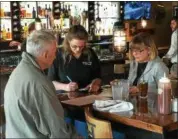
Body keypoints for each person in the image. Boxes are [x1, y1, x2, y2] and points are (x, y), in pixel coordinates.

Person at [4, 30, 79, 138]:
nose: (55, 57)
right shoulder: (39, 83)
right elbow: (58, 132)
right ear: (45, 55)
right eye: (54, 52)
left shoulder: (19, 71)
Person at [48, 25, 101, 92]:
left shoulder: (90, 53)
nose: (78, 49)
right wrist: (65, 87)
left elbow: (97, 77)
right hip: (64, 95)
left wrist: (95, 84)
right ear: (68, 41)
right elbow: (50, 82)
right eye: (74, 46)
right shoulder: (58, 54)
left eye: (81, 46)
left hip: (87, 94)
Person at [128, 32, 169, 107]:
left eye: (138, 50)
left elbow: (165, 92)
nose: (134, 53)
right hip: (134, 106)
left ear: (149, 50)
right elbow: (130, 84)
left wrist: (141, 89)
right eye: (133, 50)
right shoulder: (134, 63)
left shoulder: (159, 66)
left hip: (151, 110)